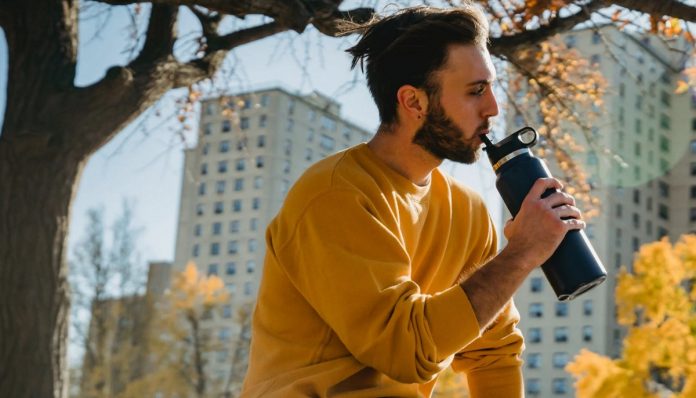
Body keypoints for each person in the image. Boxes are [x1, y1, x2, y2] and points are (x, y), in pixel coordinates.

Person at [242, 3, 584, 397]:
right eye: (476, 91)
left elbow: (495, 353)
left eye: (490, 87)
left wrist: (522, 251)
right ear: (414, 102)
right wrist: (521, 252)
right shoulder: (336, 195)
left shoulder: (467, 211)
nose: (493, 108)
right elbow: (404, 350)